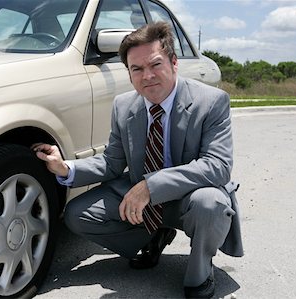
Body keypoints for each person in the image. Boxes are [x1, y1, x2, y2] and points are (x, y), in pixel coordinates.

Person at [32, 22, 243, 298]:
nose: (148, 76)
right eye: (137, 69)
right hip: (144, 201)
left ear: (174, 62)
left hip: (191, 197)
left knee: (211, 204)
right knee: (77, 214)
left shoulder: (211, 102)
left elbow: (218, 166)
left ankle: (201, 269)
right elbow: (111, 163)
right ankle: (152, 237)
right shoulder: (123, 106)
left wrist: (150, 186)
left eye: (155, 64)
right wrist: (66, 167)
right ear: (129, 74)